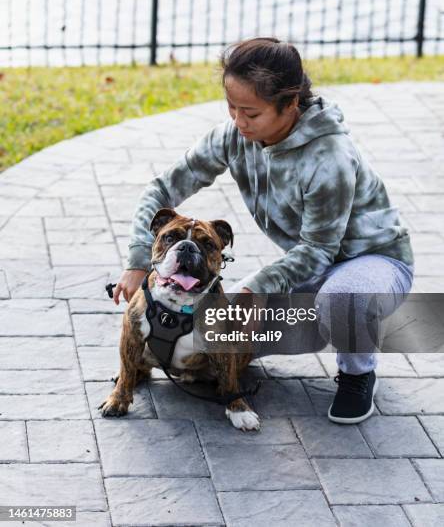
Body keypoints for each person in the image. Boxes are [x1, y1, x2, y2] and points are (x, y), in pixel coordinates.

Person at [114, 37, 414, 424]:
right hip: (310, 270)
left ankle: (358, 372)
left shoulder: (331, 157)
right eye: (232, 107)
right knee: (227, 337)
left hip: (372, 262)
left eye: (251, 113)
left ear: (290, 105)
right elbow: (161, 190)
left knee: (343, 300)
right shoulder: (234, 135)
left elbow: (319, 250)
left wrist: (256, 286)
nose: (239, 122)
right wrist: (140, 259)